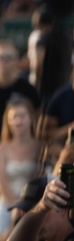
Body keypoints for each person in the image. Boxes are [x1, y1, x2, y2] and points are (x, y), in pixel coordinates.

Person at [0, 95, 43, 233]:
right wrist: (16, 206)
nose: (18, 121)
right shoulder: (3, 148)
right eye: (13, 117)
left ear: (31, 117)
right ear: (8, 121)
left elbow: (42, 177)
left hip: (35, 203)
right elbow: (2, 182)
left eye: (22, 116)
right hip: (8, 202)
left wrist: (26, 206)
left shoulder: (41, 147)